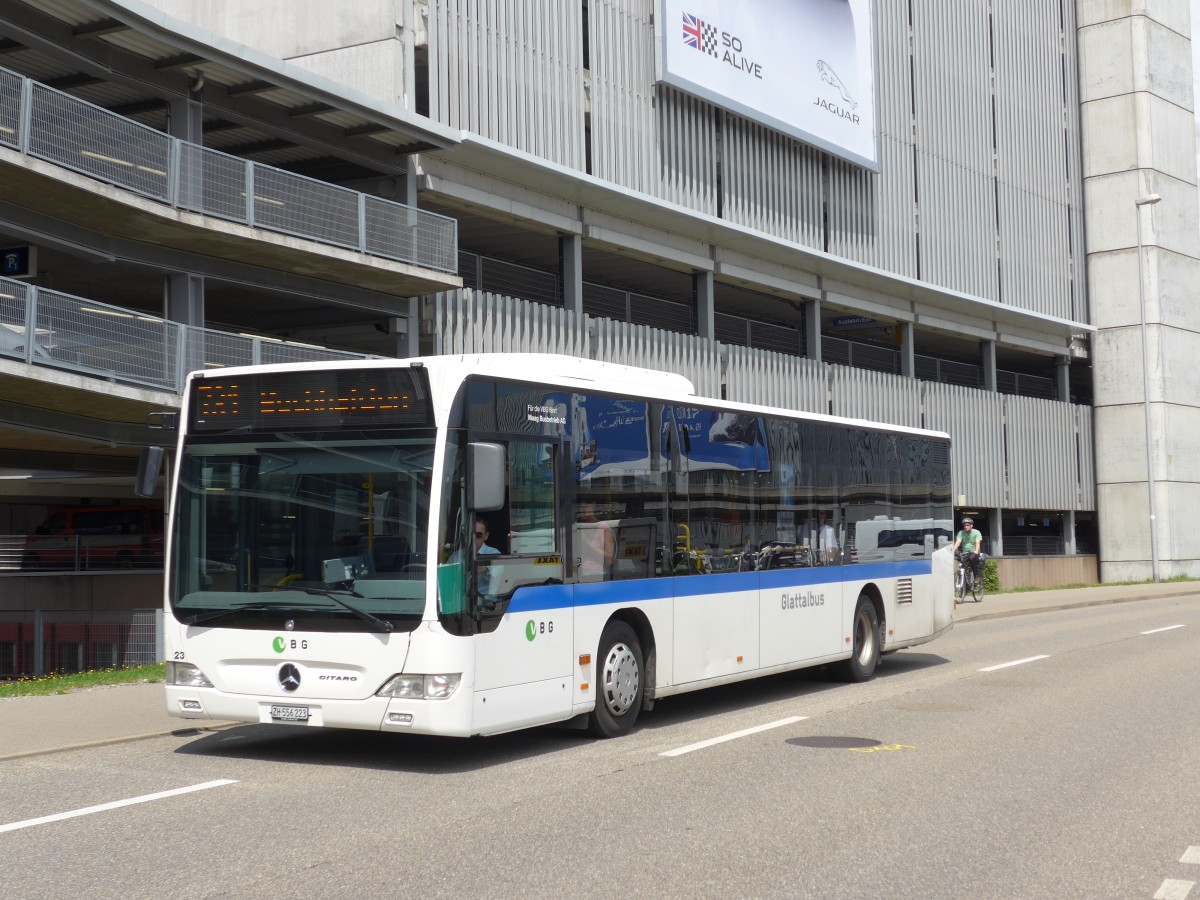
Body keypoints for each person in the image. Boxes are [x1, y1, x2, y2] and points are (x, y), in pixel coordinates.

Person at [576, 499, 615, 581]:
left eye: (585, 507)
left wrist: (586, 543)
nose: (581, 511)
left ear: (593, 506)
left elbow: (609, 560)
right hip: (575, 572)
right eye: (579, 507)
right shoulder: (577, 527)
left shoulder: (602, 528)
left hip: (594, 573)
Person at [952, 516, 984, 582]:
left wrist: (976, 551)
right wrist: (953, 550)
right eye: (964, 525)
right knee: (962, 565)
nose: (966, 527)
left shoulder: (976, 532)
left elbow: (978, 543)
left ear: (971, 525)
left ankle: (976, 576)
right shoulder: (961, 533)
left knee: (972, 559)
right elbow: (958, 542)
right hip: (965, 553)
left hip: (974, 552)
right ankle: (965, 586)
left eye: (967, 525)